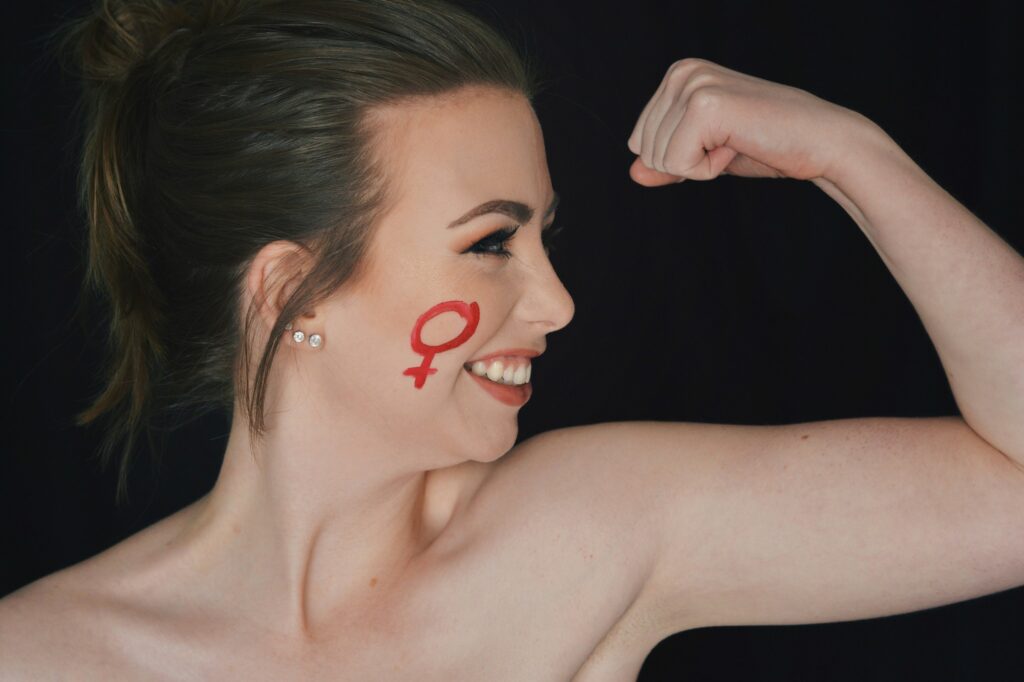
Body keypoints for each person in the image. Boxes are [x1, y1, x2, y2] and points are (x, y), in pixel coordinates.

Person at [3, 0, 1023, 679]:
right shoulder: (40, 655)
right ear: (290, 289)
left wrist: (852, 158)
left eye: (544, 234)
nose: (556, 303)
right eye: (492, 242)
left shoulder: (589, 531)